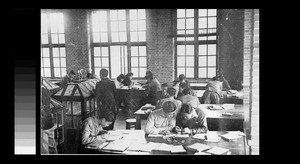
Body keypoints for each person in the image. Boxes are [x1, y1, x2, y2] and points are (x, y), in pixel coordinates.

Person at [41, 85, 58, 154]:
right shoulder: (45, 90)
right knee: (52, 147)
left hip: (43, 126)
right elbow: (56, 105)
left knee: (44, 150)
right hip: (50, 123)